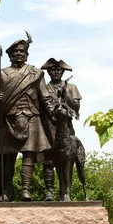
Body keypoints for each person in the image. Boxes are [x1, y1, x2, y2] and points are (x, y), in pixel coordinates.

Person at [0, 32, 56, 202]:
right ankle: (8, 191)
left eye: (22, 51)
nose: (18, 54)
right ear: (10, 55)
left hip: (31, 116)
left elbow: (45, 95)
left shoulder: (36, 73)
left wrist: (54, 112)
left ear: (26, 54)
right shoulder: (2, 74)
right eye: (15, 52)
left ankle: (26, 190)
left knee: (29, 154)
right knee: (7, 157)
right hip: (9, 118)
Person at [40, 58, 82, 201]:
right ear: (49, 72)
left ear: (62, 72)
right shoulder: (44, 88)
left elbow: (76, 107)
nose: (55, 73)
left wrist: (66, 95)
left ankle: (66, 193)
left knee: (67, 162)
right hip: (48, 129)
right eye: (52, 70)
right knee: (48, 161)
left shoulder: (72, 87)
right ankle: (49, 191)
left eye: (58, 70)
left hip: (66, 129)